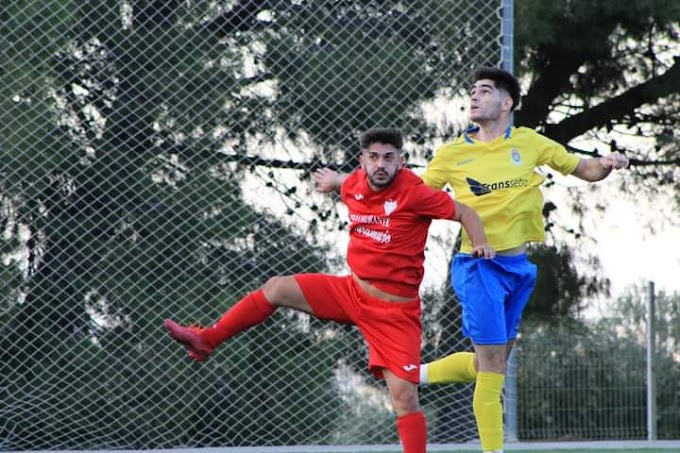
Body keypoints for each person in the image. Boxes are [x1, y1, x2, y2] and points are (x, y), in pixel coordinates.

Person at [163, 127, 495, 453]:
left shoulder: (416, 193)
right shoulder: (355, 183)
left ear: (402, 161)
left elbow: (466, 212)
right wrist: (331, 180)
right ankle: (206, 339)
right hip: (350, 293)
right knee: (276, 288)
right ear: (362, 160)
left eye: (389, 158)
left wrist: (480, 243)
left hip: (394, 314)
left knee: (405, 397)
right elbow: (344, 181)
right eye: (373, 157)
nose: (381, 165)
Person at [417, 66, 630, 453]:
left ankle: (413, 373)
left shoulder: (530, 142)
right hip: (478, 267)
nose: (474, 96)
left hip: (517, 269)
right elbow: (414, 198)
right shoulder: (451, 154)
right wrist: (352, 186)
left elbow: (585, 169)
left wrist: (609, 163)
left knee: (488, 366)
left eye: (484, 90)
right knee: (494, 366)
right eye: (472, 91)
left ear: (506, 102)